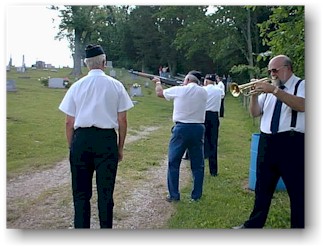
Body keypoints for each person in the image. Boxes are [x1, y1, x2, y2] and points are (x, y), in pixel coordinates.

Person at [58, 44, 134, 228]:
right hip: (106, 140)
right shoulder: (116, 86)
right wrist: (120, 147)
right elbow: (122, 120)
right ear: (104, 62)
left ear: (86, 64)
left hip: (81, 139)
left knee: (81, 194)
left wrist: (72, 146)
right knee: (106, 193)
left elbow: (69, 122)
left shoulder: (77, 86)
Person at [233, 54, 305, 228]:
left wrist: (274, 90)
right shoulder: (272, 88)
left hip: (292, 142)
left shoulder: (301, 85)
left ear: (287, 68)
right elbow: (255, 113)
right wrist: (253, 95)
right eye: (270, 71)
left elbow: (302, 105)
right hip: (267, 141)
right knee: (262, 187)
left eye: (275, 70)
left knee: (297, 190)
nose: (272, 74)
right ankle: (253, 225)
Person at [152, 71, 208, 202]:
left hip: (181, 128)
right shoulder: (204, 92)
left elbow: (159, 93)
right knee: (198, 164)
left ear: (187, 79)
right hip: (198, 128)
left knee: (174, 162)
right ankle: (196, 196)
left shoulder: (179, 90)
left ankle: (174, 195)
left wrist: (158, 83)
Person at [203, 74, 224, 176]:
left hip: (204, 115)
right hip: (214, 116)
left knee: (201, 141)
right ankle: (213, 170)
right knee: (213, 142)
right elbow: (222, 96)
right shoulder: (219, 90)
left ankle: (200, 166)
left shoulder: (203, 90)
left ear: (206, 81)